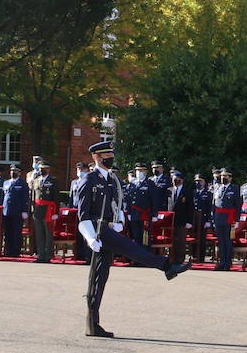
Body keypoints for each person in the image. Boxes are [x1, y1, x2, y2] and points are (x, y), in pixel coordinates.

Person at [76, 141, 189, 338]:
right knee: (130, 247)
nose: (110, 158)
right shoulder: (89, 180)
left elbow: (115, 202)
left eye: (111, 154)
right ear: (97, 157)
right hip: (97, 230)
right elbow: (82, 215)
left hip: (107, 228)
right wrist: (89, 237)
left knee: (98, 278)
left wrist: (118, 219)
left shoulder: (110, 179)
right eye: (106, 155)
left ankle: (92, 325)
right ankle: (166, 267)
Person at [211, 168, 240, 270]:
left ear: (230, 178)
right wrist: (213, 218)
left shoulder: (234, 188)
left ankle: (228, 263)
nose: (223, 178)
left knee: (228, 241)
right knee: (221, 241)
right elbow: (213, 205)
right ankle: (222, 262)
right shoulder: (217, 188)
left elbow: (238, 205)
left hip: (229, 218)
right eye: (222, 176)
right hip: (218, 218)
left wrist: (237, 220)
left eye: (226, 176)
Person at [29, 160, 57, 263]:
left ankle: (48, 255)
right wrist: (32, 210)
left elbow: (56, 198)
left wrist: (55, 213)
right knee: (39, 233)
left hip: (48, 210)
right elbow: (32, 196)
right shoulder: (36, 180)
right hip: (37, 210)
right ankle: (40, 255)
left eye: (43, 169)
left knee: (48, 233)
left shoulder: (53, 181)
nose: (41, 170)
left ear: (48, 169)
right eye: (40, 169)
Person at [166, 169, 195, 265]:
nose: (175, 180)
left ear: (182, 180)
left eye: (178, 179)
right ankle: (172, 258)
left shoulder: (187, 191)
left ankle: (180, 259)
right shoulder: (169, 190)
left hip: (183, 220)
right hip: (171, 220)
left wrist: (189, 221)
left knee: (181, 240)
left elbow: (191, 207)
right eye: (174, 179)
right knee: (172, 240)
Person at [1, 165, 30, 257]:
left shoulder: (23, 184)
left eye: (16, 171)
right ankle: (7, 251)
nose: (13, 172)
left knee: (16, 232)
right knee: (7, 232)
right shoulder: (6, 183)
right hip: (6, 211)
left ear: (19, 173)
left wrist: (24, 211)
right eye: (12, 171)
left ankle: (15, 251)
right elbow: (3, 197)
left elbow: (25, 198)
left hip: (17, 211)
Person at [125, 162, 154, 246]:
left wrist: (154, 214)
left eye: (141, 170)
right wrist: (129, 212)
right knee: (136, 236)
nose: (139, 172)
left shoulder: (149, 184)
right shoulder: (132, 184)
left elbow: (154, 199)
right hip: (134, 214)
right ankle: (137, 257)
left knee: (145, 237)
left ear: (145, 172)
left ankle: (145, 257)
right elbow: (128, 199)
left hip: (145, 214)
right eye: (137, 170)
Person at [192, 173, 212, 263]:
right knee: (193, 238)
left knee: (202, 238)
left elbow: (210, 208)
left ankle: (201, 257)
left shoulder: (208, 194)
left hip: (203, 219)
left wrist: (208, 220)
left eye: (200, 181)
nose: (198, 182)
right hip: (193, 219)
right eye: (196, 181)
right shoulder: (192, 192)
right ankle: (193, 256)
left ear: (204, 182)